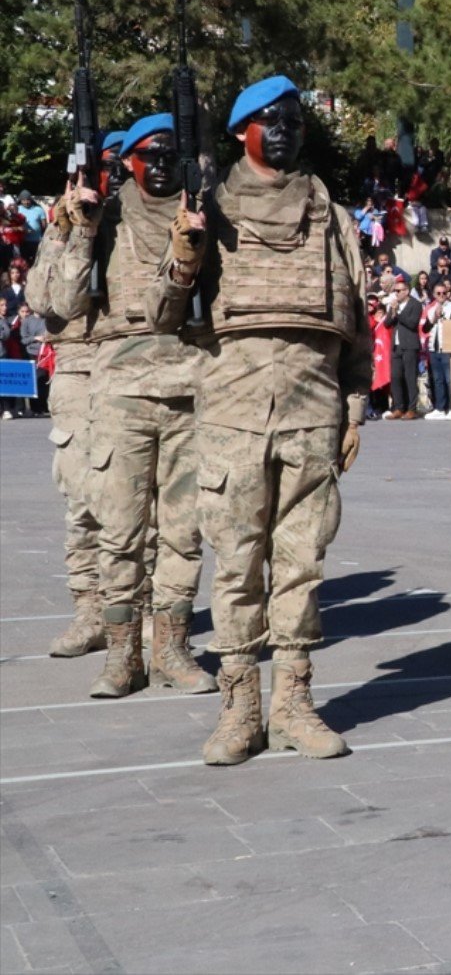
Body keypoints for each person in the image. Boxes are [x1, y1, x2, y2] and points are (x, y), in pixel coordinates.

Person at [154, 75, 369, 766]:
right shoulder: (208, 210)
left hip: (311, 407)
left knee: (303, 562)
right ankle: (240, 705)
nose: (283, 129)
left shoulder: (328, 213)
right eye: (268, 119)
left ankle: (295, 701)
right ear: (242, 130)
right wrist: (186, 252)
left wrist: (355, 404)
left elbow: (355, 318)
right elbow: (165, 318)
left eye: (292, 119)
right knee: (239, 563)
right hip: (234, 413)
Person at [53, 115, 215, 699]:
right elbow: (59, 302)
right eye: (151, 153)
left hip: (190, 387)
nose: (164, 164)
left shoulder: (205, 210)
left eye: (175, 152)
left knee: (182, 533)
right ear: (128, 160)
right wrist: (80, 230)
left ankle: (172, 648)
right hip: (120, 391)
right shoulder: (104, 210)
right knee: (119, 531)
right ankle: (123, 655)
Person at [31, 177, 105, 658]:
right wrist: (64, 228)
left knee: (149, 505)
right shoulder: (65, 226)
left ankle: (141, 614)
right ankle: (90, 613)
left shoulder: (134, 223)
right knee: (82, 503)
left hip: (135, 366)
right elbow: (42, 299)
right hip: (77, 369)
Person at [382, 272, 422, 419]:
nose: (396, 293)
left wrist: (398, 311)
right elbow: (387, 324)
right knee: (396, 377)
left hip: (410, 345)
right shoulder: (395, 306)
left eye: (399, 291)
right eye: (395, 291)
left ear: (407, 291)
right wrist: (392, 311)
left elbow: (412, 324)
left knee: (410, 377)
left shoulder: (415, 305)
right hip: (396, 346)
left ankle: (412, 408)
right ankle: (399, 407)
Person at [421, 281, 451, 419]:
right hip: (434, 348)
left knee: (449, 379)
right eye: (438, 293)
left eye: (444, 293)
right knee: (437, 379)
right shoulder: (431, 309)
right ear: (434, 294)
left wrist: (444, 319)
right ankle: (440, 408)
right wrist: (434, 317)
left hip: (447, 347)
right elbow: (425, 328)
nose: (442, 296)